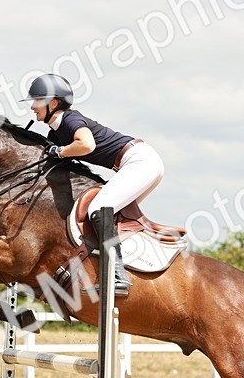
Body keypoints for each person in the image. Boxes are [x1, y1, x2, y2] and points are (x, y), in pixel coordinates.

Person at [23, 72, 163, 296]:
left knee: (99, 209)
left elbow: (86, 145)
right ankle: (134, 264)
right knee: (115, 218)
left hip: (140, 161)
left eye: (37, 101)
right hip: (137, 163)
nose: (32, 107)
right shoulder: (56, 131)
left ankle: (117, 277)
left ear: (54, 103)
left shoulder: (70, 119)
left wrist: (60, 151)